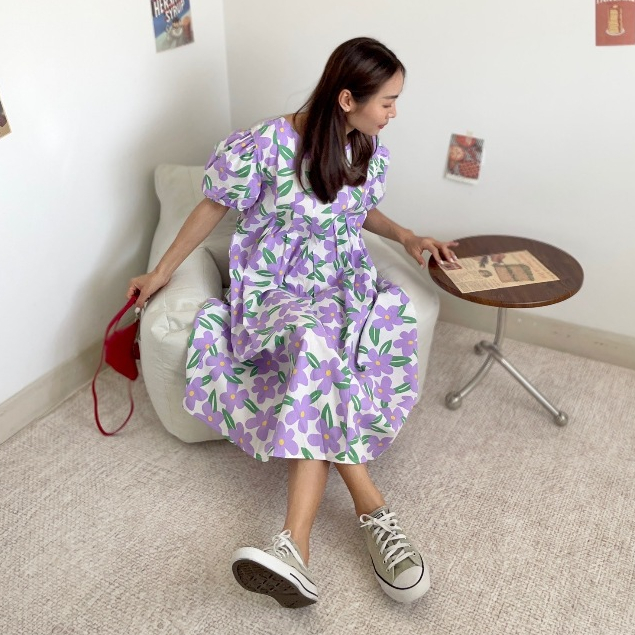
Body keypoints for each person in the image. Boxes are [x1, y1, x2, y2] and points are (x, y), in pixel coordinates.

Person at [128, 37, 458, 608]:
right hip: (274, 289)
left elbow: (357, 209)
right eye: (388, 101)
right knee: (313, 338)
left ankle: (292, 548)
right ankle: (373, 511)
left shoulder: (364, 145)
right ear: (348, 98)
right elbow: (211, 206)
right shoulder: (265, 144)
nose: (394, 113)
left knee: (323, 347)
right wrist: (160, 272)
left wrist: (406, 235)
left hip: (342, 282)